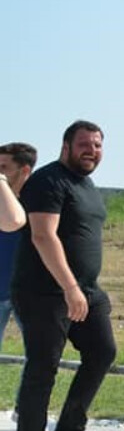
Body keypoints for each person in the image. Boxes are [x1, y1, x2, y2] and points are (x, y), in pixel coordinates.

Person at [13, 122, 116, 431]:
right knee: (43, 368)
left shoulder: (86, 185)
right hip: (44, 292)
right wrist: (70, 287)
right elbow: (43, 235)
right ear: (66, 146)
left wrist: (83, 288)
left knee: (102, 351)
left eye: (97, 145)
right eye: (84, 144)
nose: (92, 150)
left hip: (85, 289)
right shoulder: (48, 180)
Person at [0, 142, 37, 338]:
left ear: (24, 170)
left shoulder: (43, 203)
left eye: (3, 167)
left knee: (39, 358)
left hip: (29, 294)